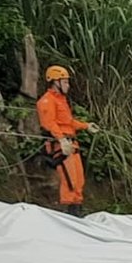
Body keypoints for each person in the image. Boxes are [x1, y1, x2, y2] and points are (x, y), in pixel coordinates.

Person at [36, 65, 99, 217]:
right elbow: (49, 123)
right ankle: (70, 215)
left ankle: (77, 211)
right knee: (70, 181)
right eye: (65, 82)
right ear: (55, 82)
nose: (68, 85)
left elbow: (68, 122)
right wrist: (62, 140)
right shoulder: (46, 101)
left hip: (71, 144)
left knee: (79, 180)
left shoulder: (61, 100)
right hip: (61, 145)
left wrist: (86, 126)